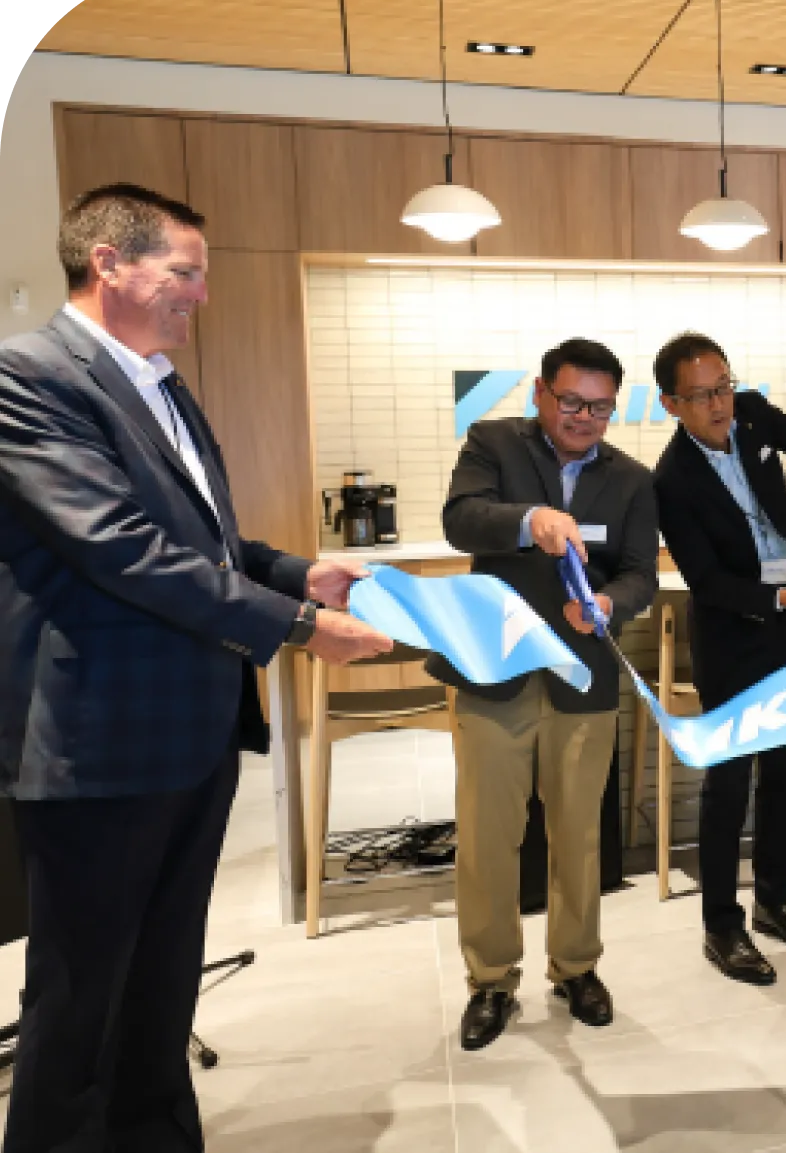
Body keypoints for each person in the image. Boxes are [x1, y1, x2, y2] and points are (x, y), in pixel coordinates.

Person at [0, 183, 391, 1152]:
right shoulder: (30, 376)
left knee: (162, 980)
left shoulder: (160, 381)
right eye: (185, 272)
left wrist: (303, 571)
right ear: (108, 265)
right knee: (80, 998)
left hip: (191, 734)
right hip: (100, 742)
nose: (201, 295)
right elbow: (122, 550)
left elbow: (205, 542)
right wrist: (299, 626)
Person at [430, 337, 659, 1050]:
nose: (583, 417)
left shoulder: (631, 479)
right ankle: (491, 979)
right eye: (571, 402)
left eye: (599, 407)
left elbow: (639, 574)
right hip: (495, 670)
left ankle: (576, 967)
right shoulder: (494, 442)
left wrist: (609, 606)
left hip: (581, 675)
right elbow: (460, 517)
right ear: (540, 392)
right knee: (490, 836)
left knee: (579, 835)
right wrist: (531, 521)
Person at [650, 333, 786, 985]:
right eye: (701, 395)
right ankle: (722, 925)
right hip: (731, 635)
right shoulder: (670, 480)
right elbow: (707, 579)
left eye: (724, 386)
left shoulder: (751, 416)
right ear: (670, 402)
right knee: (728, 785)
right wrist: (780, 596)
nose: (719, 404)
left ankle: (774, 901)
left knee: (784, 770)